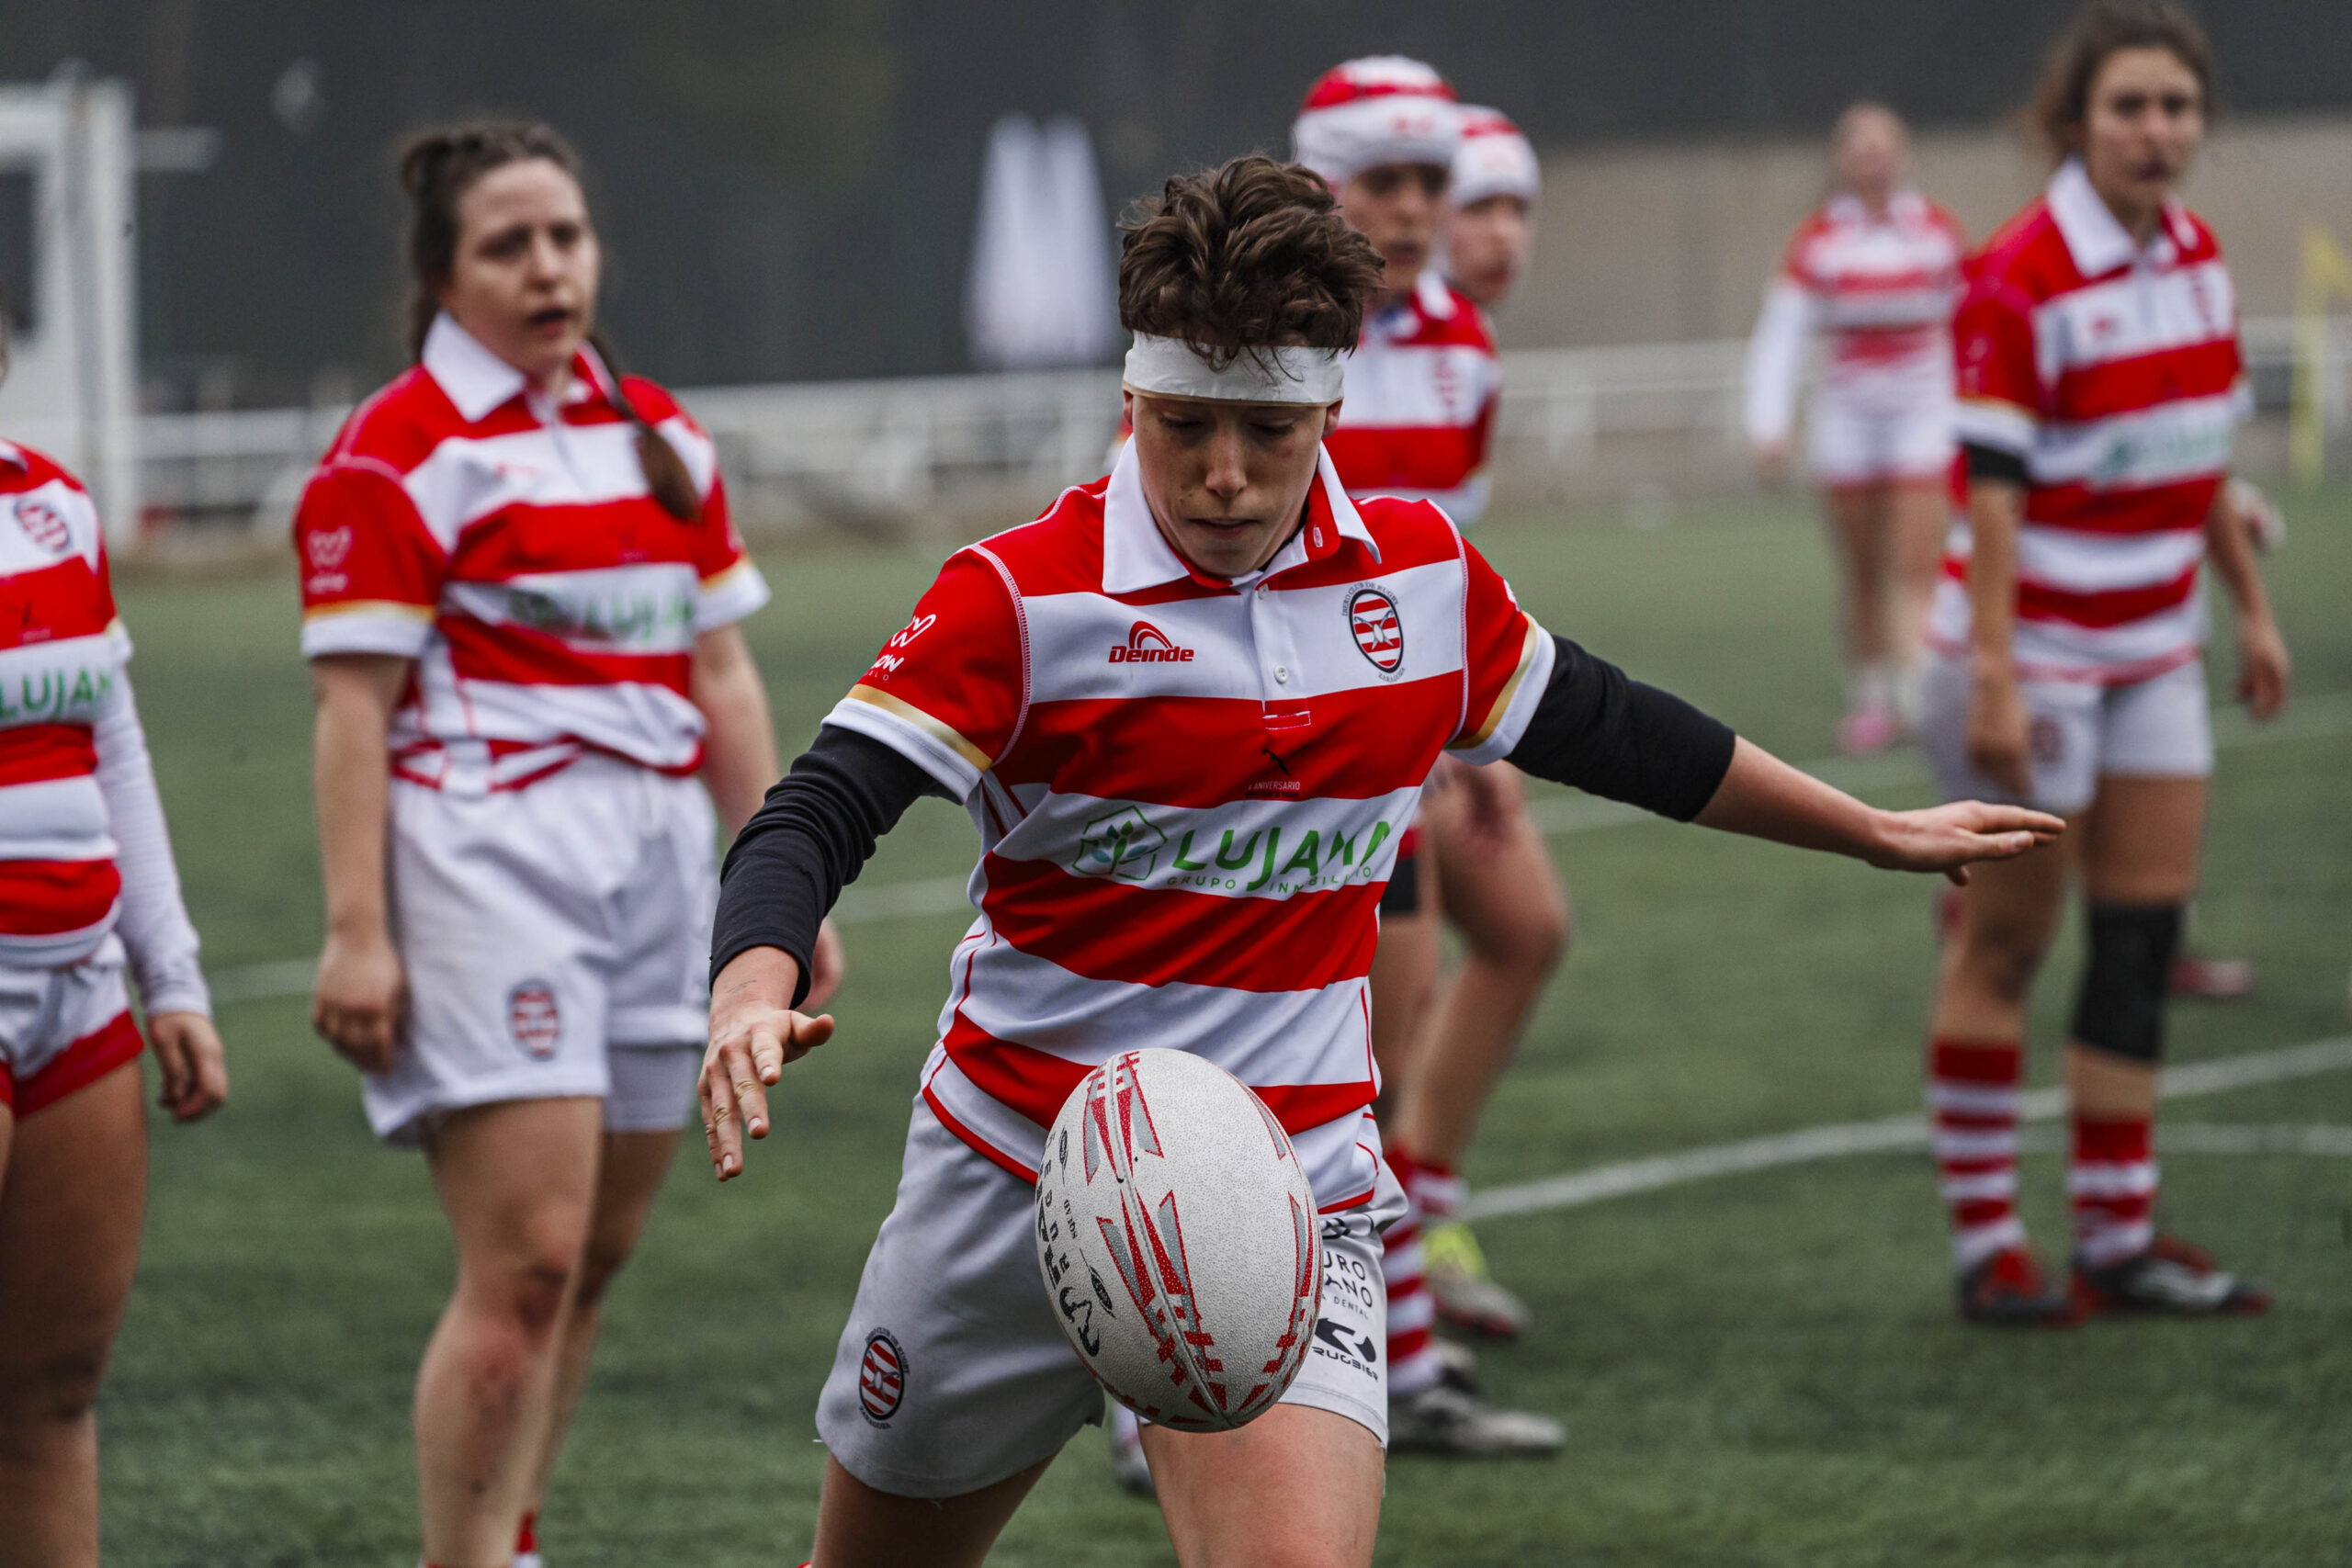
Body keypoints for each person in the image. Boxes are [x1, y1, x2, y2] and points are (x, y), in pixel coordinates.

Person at [698, 152, 2059, 1568]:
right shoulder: (1020, 598)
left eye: (1270, 430)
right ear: (1128, 403)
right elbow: (816, 809)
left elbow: (1610, 726)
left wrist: (1867, 824)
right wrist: (750, 980)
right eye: (1185, 424)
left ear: (1335, 407)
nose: (1224, 471)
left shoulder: (1419, 575)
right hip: (1012, 1171)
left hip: (1287, 1181)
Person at [295, 122, 833, 1568]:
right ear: (440, 274)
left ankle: (513, 1532)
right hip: (487, 864)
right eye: (507, 245)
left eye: (567, 237)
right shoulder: (396, 453)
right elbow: (354, 709)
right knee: (527, 1255)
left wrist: (786, 874)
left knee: (593, 1252)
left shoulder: (657, 431)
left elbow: (717, 674)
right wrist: (359, 927)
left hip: (660, 863)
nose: (548, 268)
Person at [1918, 0, 2287, 1325]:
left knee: (2140, 938)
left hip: (2153, 653)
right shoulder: (2020, 271)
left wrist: (2246, 612)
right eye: (2130, 106)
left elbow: (2201, 462)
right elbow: (1996, 491)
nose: (2157, 130)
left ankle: (2120, 1237)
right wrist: (2003, 674)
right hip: (2038, 659)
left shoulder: (2196, 255)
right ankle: (1988, 1244)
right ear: (2076, 122)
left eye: (2177, 107)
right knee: (2009, 943)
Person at [1294, 58, 1561, 1454]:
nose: (1409, 210)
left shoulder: (1464, 346)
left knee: (1383, 1062)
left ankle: (1402, 1346)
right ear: (1324, 183)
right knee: (1330, 1075)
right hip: (1292, 771)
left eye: (1428, 185)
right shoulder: (1271, 332)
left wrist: (1483, 730)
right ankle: (1157, 1376)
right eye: (1379, 181)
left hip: (1401, 756)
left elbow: (1450, 567)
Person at [0, 406, 228, 1563]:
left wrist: (169, 976)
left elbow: (112, 740)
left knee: (50, 1399)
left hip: (79, 995)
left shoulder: (52, 502)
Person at [1746, 103, 1967, 755]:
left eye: (1882, 142)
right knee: (1864, 570)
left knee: (1912, 564)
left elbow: (1974, 323)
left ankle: (1920, 697)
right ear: (1840, 157)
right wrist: (1768, 420)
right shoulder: (1815, 239)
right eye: (1857, 143)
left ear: (1903, 153)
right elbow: (1781, 336)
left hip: (1923, 416)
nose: (1870, 154)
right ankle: (1871, 700)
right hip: (1845, 420)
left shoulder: (1937, 232)